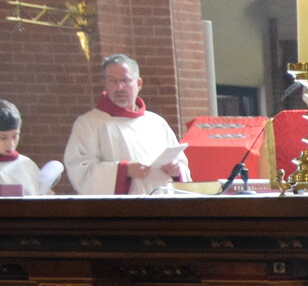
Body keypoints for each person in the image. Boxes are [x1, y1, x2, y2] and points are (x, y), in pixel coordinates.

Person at [63, 55, 188, 195]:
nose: (119, 87)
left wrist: (176, 170)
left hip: (163, 204)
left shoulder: (156, 122)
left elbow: (183, 168)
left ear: (139, 83)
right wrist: (124, 170)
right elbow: (80, 172)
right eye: (112, 80)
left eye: (125, 80)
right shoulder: (89, 124)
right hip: (123, 207)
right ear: (104, 84)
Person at [0, 100, 58, 196]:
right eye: (3, 137)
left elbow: (43, 196)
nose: (11, 144)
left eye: (15, 136)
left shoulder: (27, 164)